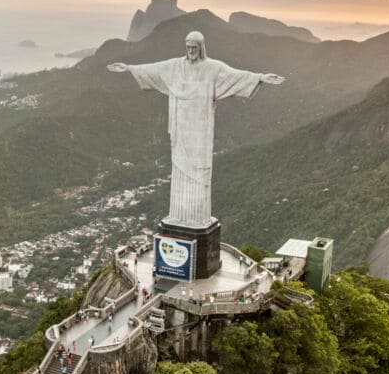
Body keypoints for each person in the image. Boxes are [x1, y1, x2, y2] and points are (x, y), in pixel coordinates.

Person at [108, 31, 284, 227]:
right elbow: (154, 69)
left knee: (199, 172)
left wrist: (260, 77)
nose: (191, 51)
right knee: (179, 170)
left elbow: (235, 75)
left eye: (194, 47)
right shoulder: (175, 66)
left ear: (201, 48)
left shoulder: (212, 68)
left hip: (200, 132)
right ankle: (178, 216)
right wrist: (129, 68)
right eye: (188, 47)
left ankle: (197, 218)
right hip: (180, 129)